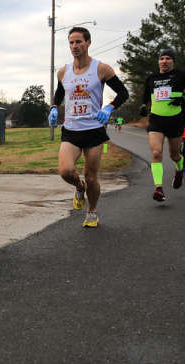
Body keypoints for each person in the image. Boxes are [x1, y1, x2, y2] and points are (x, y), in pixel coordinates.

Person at [48, 27, 129, 228]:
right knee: (66, 171)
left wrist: (110, 107)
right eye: (71, 43)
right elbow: (59, 93)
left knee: (92, 177)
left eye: (78, 42)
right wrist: (53, 108)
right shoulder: (63, 72)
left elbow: (123, 92)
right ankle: (78, 186)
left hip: (94, 129)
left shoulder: (101, 69)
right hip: (71, 129)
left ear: (88, 43)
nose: (74, 46)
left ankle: (92, 212)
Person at [139, 48, 185, 202]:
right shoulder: (151, 78)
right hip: (156, 120)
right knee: (156, 153)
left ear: (173, 61)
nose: (164, 61)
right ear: (158, 61)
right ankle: (158, 188)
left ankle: (180, 170)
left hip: (175, 120)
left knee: (174, 155)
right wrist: (142, 106)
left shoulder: (181, 76)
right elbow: (146, 96)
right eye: (162, 58)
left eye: (168, 58)